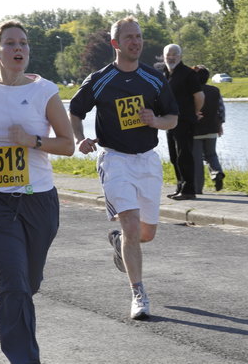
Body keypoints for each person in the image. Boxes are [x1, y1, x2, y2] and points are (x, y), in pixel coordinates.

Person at [69, 16, 178, 320]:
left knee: (146, 234)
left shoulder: (154, 79)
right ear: (116, 43)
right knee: (131, 224)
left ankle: (120, 243)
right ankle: (138, 293)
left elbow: (173, 118)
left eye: (139, 36)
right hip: (115, 160)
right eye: (129, 37)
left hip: (147, 161)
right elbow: (75, 111)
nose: (136, 42)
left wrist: (155, 121)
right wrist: (80, 139)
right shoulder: (100, 79)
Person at [0, 20, 75, 363]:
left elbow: (68, 145)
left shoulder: (44, 91)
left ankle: (9, 305)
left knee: (28, 282)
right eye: (10, 43)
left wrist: (33, 141)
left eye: (23, 44)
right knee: (13, 282)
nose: (18, 49)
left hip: (39, 200)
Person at [163, 44, 204, 200]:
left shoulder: (188, 74)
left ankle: (188, 190)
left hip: (184, 120)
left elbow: (200, 97)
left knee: (184, 155)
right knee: (174, 156)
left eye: (174, 54)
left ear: (180, 56)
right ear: (164, 56)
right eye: (168, 54)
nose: (171, 57)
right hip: (169, 120)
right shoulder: (165, 73)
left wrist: (193, 113)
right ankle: (180, 186)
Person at [192, 65, 225, 194]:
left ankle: (197, 188)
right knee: (211, 154)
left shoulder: (191, 92)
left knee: (197, 160)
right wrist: (220, 124)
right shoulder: (215, 90)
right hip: (212, 128)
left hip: (195, 130)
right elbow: (221, 109)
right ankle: (217, 172)